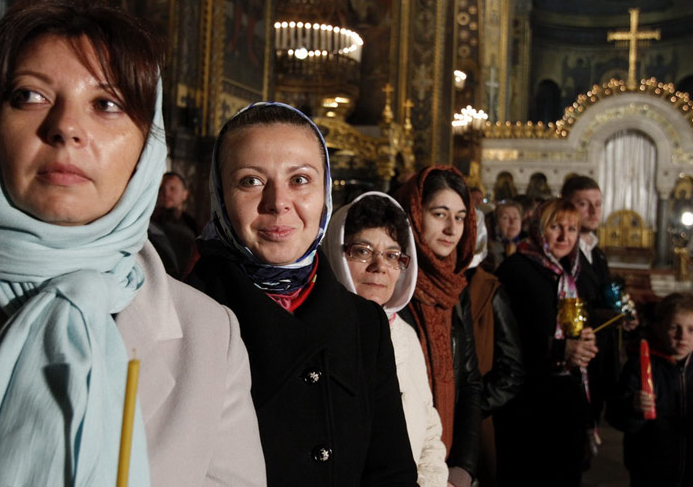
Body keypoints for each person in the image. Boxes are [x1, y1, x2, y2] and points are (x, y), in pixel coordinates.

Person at [0, 0, 265, 485]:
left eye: (106, 104)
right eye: (29, 96)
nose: (66, 128)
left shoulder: (210, 337)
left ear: (147, 146)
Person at [186, 102, 417, 486]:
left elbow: (391, 472)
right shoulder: (184, 317)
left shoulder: (364, 323)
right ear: (220, 195)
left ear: (325, 191)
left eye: (300, 179)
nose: (278, 202)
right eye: (250, 181)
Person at [323, 191, 448, 487]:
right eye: (362, 251)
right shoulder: (320, 333)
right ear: (335, 253)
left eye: (392, 255)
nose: (379, 266)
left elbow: (429, 426)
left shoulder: (405, 333)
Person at [493, 198, 598, 487]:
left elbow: (583, 317)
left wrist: (586, 336)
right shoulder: (515, 270)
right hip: (529, 400)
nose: (565, 237)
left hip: (568, 396)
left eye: (572, 229)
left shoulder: (574, 272)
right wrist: (560, 348)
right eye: (556, 227)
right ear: (539, 229)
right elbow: (504, 336)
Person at [395, 166, 482, 487]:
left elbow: (470, 382)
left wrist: (463, 468)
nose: (451, 229)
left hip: (451, 465)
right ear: (415, 215)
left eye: (460, 217)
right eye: (439, 214)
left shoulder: (454, 287)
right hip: (402, 467)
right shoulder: (390, 284)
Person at [607, 293, 693, 487]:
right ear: (658, 328)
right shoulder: (640, 367)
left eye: (691, 329)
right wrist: (634, 407)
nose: (683, 336)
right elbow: (615, 414)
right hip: (651, 472)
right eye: (674, 328)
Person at [562, 175, 638, 439]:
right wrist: (605, 315)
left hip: (601, 353)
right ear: (567, 205)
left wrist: (623, 313)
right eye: (584, 204)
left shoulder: (596, 250)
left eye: (598, 203)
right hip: (577, 354)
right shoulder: (564, 251)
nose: (593, 211)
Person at [463, 209, 524, 487]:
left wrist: (472, 408)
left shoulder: (488, 290)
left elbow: (511, 368)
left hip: (472, 425)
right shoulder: (415, 287)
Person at [149, 172, 199, 278]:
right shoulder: (148, 223)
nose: (166, 193)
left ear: (185, 194)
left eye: (172, 189)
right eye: (161, 189)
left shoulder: (193, 226)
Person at [486, 200, 523, 271]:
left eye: (516, 218)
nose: (512, 222)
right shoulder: (489, 252)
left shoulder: (527, 248)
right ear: (496, 223)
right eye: (505, 218)